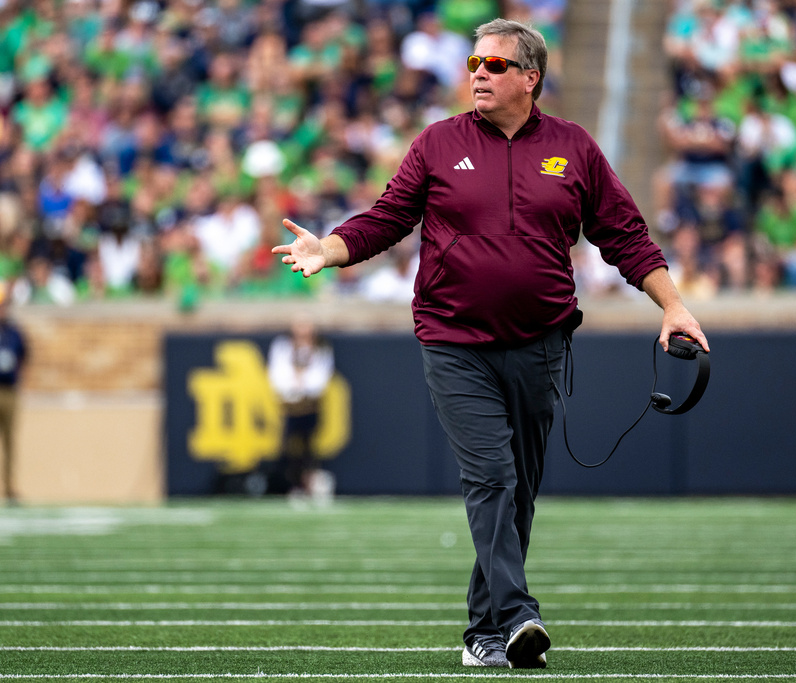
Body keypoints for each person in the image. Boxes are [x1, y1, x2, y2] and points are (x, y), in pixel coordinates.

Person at [272, 18, 708, 670]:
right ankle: (517, 612)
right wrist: (329, 249)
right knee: (491, 476)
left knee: (520, 488)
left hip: (541, 342)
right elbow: (388, 216)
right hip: (454, 342)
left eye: (495, 64)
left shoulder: (574, 148)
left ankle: (483, 631)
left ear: (531, 77)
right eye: (475, 61)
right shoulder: (438, 143)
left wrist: (672, 304)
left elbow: (624, 234)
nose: (477, 72)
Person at [266, 317, 336, 499]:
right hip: (289, 407)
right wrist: (293, 387)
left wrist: (302, 385)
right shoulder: (283, 347)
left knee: (309, 449)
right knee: (289, 448)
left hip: (310, 406)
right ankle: (291, 485)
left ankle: (309, 485)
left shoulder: (320, 348)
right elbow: (277, 375)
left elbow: (320, 379)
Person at [0, 285, 28, 503]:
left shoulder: (14, 332)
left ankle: (10, 489)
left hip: (9, 390)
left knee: (10, 442)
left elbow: (25, 357)